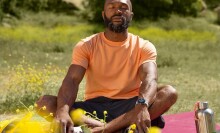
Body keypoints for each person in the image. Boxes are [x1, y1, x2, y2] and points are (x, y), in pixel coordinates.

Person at [36, 0, 178, 132]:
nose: (118, 11)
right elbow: (72, 80)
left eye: (123, 8)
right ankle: (116, 128)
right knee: (44, 103)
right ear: (104, 14)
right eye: (112, 7)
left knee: (169, 93)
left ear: (131, 15)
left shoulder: (144, 46)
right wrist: (62, 111)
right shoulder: (86, 45)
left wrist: (142, 105)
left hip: (130, 106)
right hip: (94, 107)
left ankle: (107, 129)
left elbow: (150, 79)